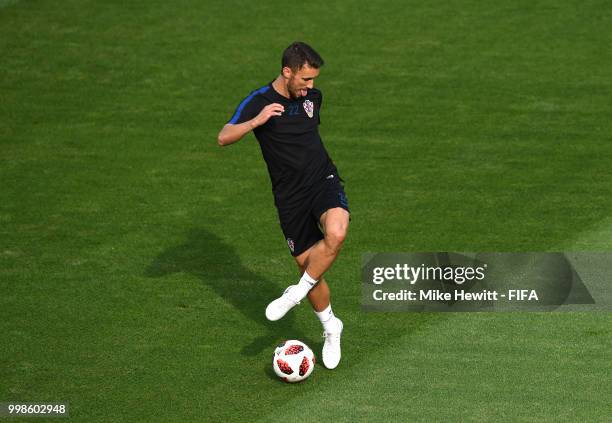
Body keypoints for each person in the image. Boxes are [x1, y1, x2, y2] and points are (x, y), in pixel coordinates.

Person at [217, 41, 350, 369]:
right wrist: (256, 122)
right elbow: (223, 136)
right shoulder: (259, 101)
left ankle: (295, 294)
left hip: (323, 181)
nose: (311, 87)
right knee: (311, 266)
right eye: (305, 79)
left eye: (314, 80)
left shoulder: (313, 99)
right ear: (287, 72)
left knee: (336, 233)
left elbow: (306, 139)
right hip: (289, 197)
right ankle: (331, 327)